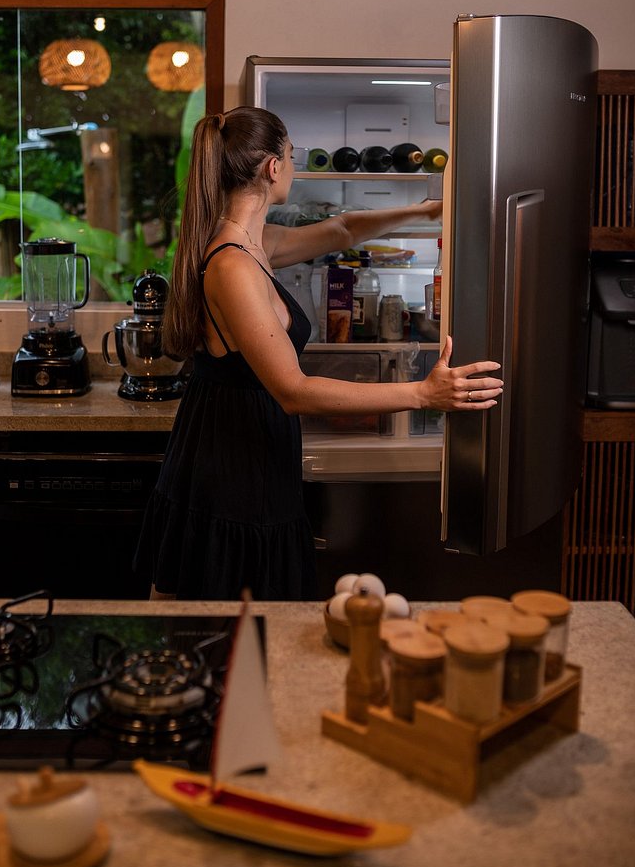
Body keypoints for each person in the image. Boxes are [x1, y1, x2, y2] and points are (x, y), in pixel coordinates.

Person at [137, 106, 503, 601]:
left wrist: (425, 211)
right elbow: (294, 390)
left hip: (247, 449)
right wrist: (423, 393)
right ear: (272, 168)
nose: (292, 164)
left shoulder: (250, 242)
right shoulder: (233, 266)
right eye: (291, 156)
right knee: (231, 628)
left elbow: (343, 231)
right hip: (233, 466)